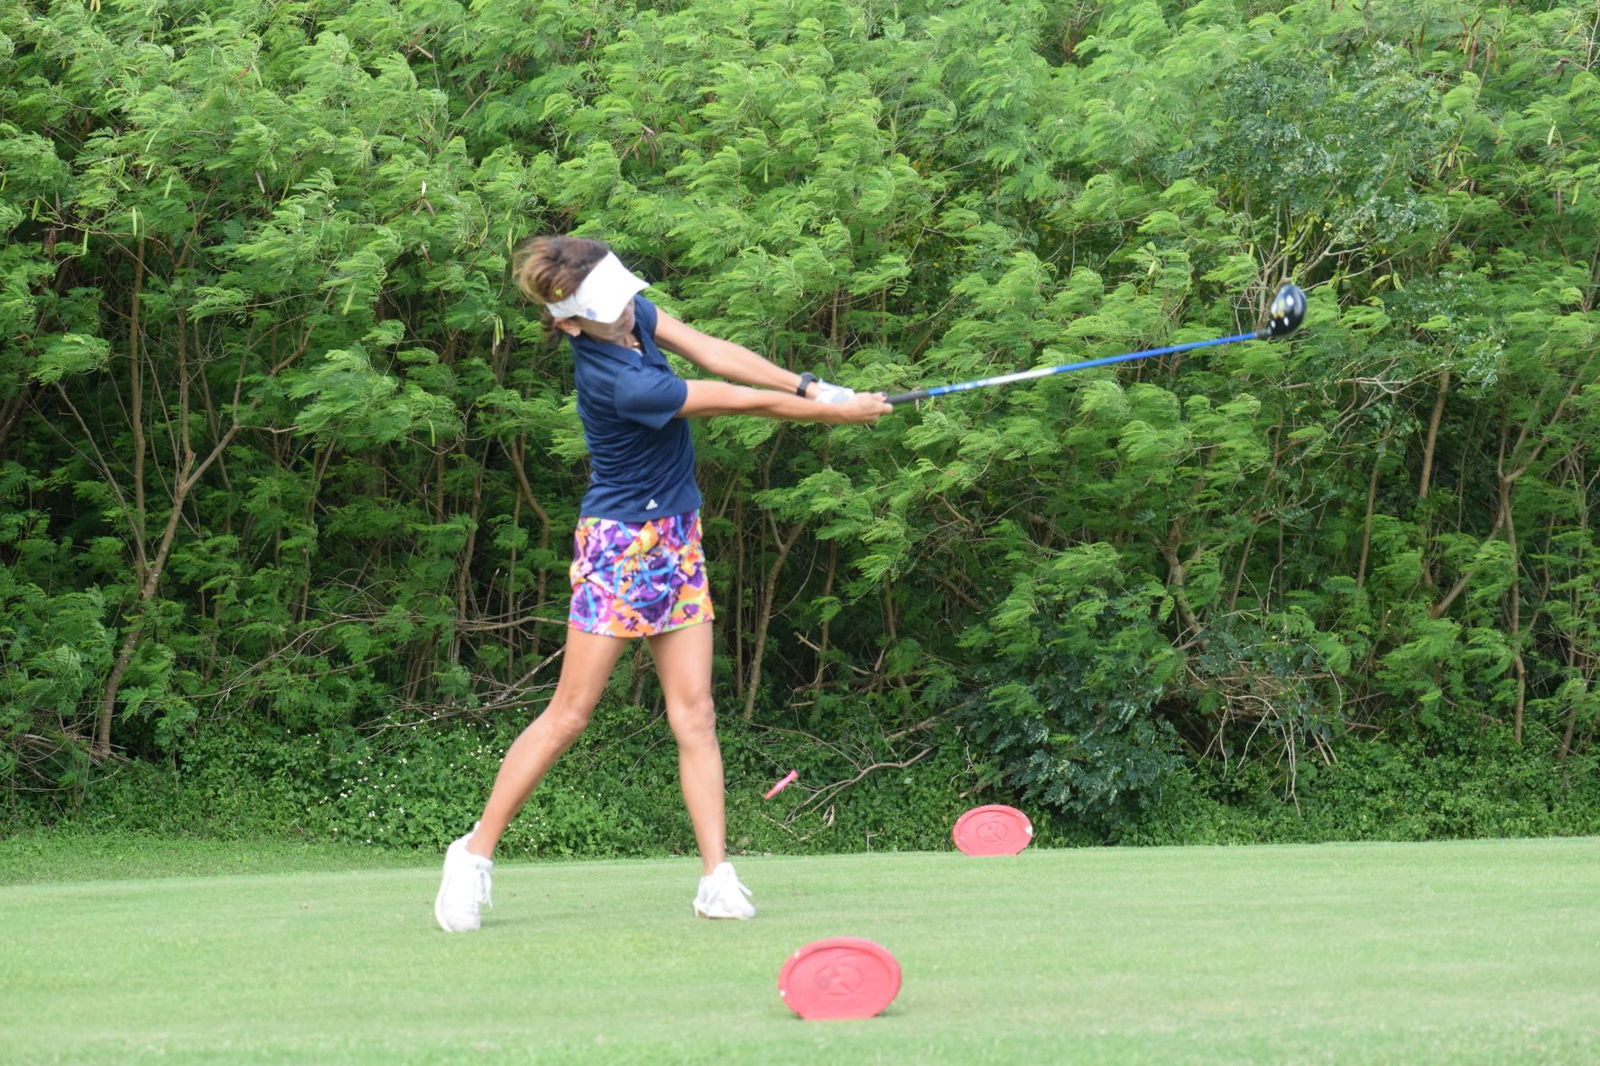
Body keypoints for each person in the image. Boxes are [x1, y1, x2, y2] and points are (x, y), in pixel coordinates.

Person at [434, 236, 890, 931]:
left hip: (677, 540)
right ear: (569, 323)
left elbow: (710, 348)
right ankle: (472, 856)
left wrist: (809, 383)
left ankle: (717, 879)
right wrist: (836, 412)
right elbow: (738, 402)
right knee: (570, 714)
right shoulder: (622, 382)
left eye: (625, 298)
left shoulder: (630, 316)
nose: (628, 312)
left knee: (696, 713)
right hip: (619, 547)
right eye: (611, 308)